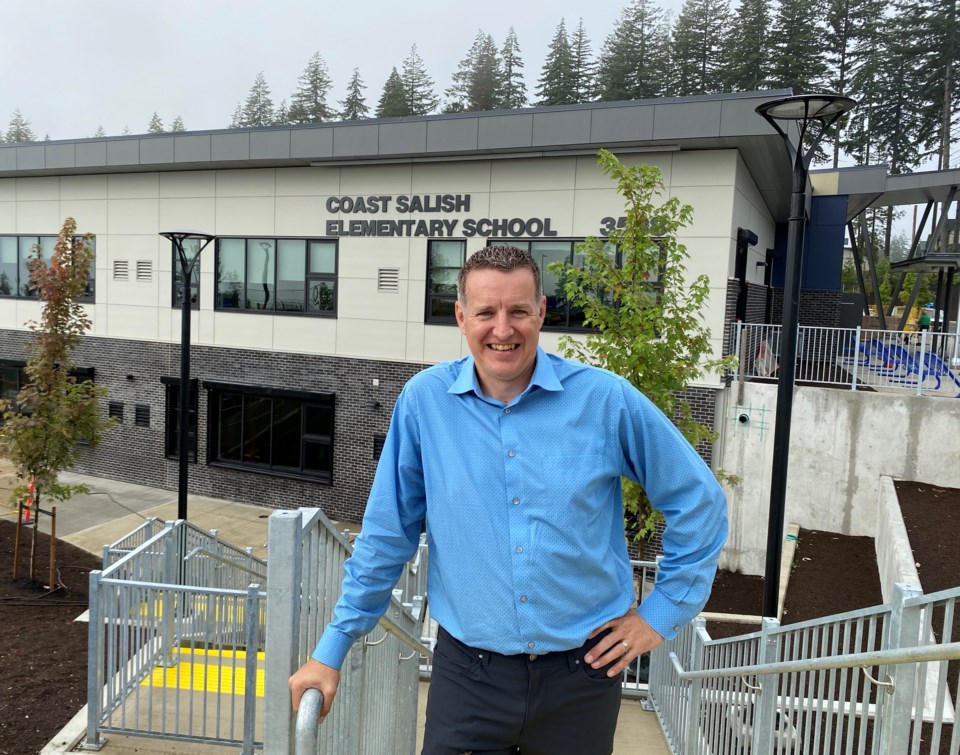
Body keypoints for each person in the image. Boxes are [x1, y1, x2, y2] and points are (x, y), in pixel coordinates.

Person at [289, 245, 728, 754]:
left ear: (542, 311)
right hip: (468, 679)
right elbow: (388, 537)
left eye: (518, 310)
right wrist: (331, 649)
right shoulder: (422, 404)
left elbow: (699, 502)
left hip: (583, 678)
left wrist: (662, 610)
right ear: (460, 317)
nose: (503, 329)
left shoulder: (605, 400)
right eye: (486, 312)